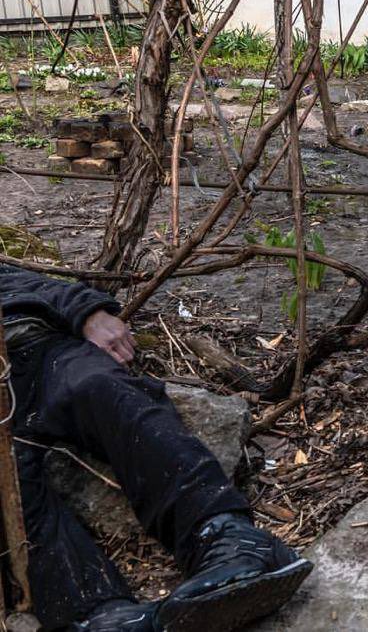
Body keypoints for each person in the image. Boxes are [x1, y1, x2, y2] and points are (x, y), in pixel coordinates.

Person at [0, 264, 312, 631]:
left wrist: (88, 311)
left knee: (100, 387)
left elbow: (26, 284)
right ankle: (96, 616)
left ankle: (229, 538)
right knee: (10, 485)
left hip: (35, 350)